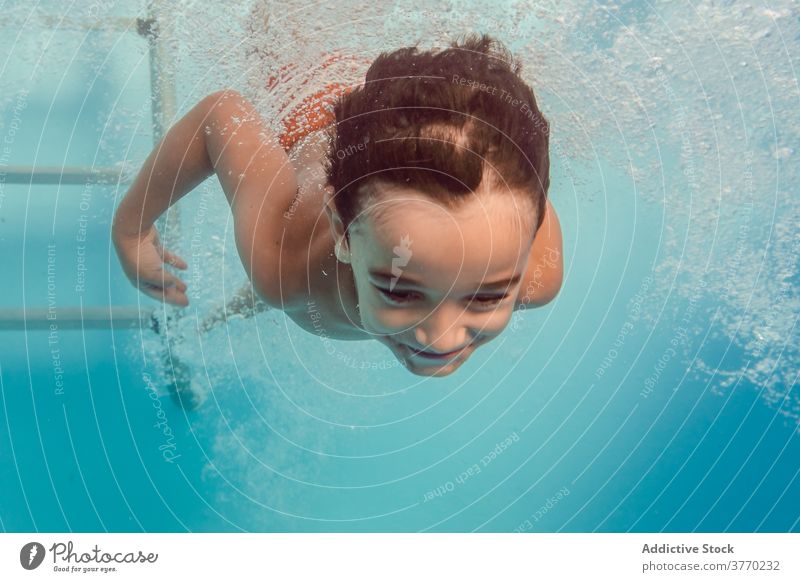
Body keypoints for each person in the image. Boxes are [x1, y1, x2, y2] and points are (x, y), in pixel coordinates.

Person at [112, 33, 563, 378]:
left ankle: (222, 317)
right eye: (400, 290)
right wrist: (130, 228)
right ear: (343, 231)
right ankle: (217, 319)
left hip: (399, 132)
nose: (440, 339)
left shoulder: (537, 273)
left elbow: (526, 181)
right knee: (278, 291)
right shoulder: (283, 262)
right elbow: (221, 116)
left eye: (486, 296)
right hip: (314, 98)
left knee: (276, 296)